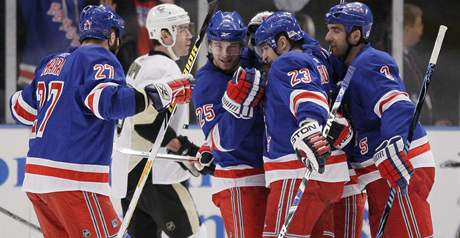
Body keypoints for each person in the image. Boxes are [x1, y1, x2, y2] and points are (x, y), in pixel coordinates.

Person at [9, 5, 192, 237]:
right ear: (112, 35)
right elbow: (108, 103)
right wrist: (162, 92)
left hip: (36, 182)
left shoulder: (52, 63)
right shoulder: (99, 58)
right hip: (74, 182)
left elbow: (19, 109)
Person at [325, 2, 436, 237]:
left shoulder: (372, 61)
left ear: (355, 35)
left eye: (335, 30)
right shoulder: (345, 67)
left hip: (401, 165)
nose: (328, 36)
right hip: (379, 174)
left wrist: (394, 142)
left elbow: (397, 104)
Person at [111, 3, 207, 237]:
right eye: (182, 29)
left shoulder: (141, 63)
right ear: (164, 35)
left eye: (189, 29)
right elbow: (146, 123)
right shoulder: (164, 68)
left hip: (130, 176)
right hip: (154, 172)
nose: (189, 35)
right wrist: (183, 148)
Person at [254, 12, 349, 237]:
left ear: (282, 42)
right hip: (327, 173)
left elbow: (306, 95)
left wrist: (310, 126)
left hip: (296, 171)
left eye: (265, 49)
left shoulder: (288, 61)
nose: (263, 57)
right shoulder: (318, 59)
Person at [192, 10, 268, 237]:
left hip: (268, 174)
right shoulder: (206, 84)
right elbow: (222, 140)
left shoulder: (250, 61)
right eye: (217, 46)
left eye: (232, 46)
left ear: (243, 44)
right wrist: (239, 106)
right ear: (209, 45)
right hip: (239, 182)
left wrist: (267, 24)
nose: (225, 54)